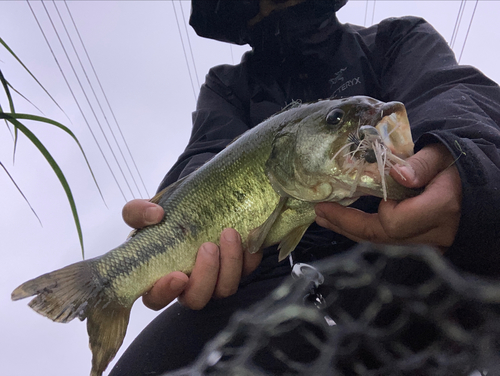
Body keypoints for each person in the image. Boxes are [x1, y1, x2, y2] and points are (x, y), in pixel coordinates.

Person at [110, 0, 500, 374]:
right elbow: (207, 155)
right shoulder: (226, 86)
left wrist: (467, 169)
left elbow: (451, 94)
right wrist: (171, 220)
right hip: (265, 277)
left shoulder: (396, 37)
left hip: (418, 253)